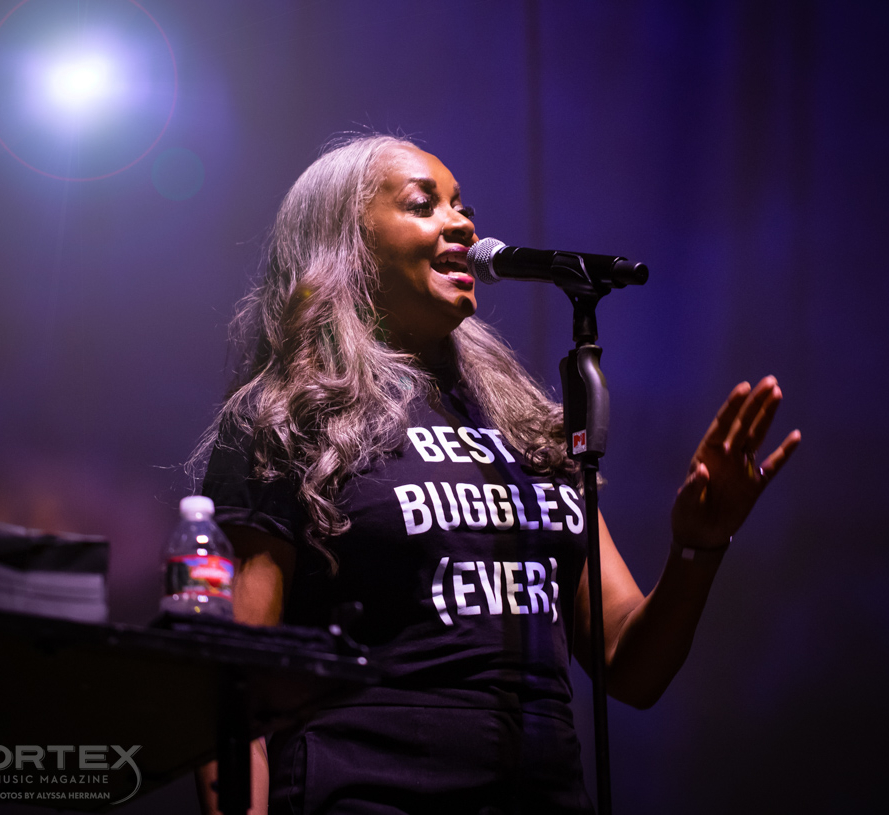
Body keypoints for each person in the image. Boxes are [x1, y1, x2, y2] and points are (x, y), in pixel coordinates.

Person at [192, 134, 800, 815]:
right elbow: (232, 673)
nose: (463, 224)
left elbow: (632, 666)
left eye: (463, 207)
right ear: (348, 241)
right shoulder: (285, 418)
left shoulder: (521, 426)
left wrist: (698, 546)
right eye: (425, 205)